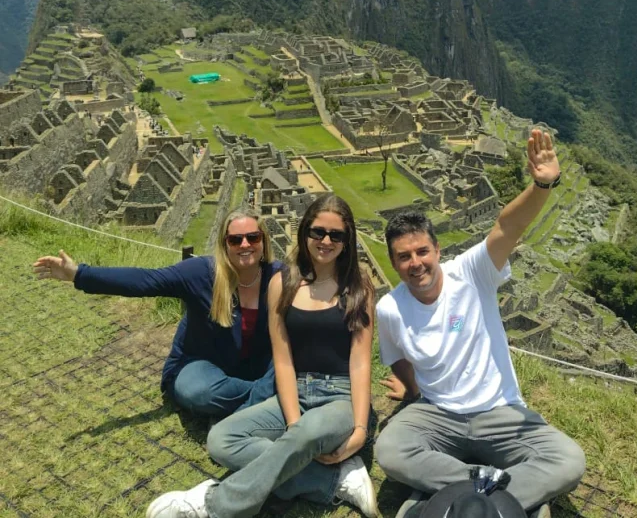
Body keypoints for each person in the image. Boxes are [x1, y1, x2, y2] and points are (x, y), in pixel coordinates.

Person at [374, 129, 586, 518]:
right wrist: (408, 387)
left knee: (569, 460)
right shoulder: (390, 308)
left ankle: (447, 500)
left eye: (423, 251)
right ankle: (500, 497)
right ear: (393, 262)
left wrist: (542, 184)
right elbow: (397, 357)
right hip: (438, 413)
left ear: (438, 250)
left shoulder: (472, 273)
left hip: (499, 411)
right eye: (404, 257)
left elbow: (507, 227)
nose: (416, 263)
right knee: (389, 451)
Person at [146, 193, 379, 518]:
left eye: (336, 235)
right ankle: (335, 480)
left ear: (346, 240)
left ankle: (213, 505)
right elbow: (282, 359)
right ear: (305, 232)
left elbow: (360, 361)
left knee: (307, 435)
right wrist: (293, 421)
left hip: (339, 396)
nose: (325, 241)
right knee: (222, 439)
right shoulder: (282, 283)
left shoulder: (358, 287)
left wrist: (359, 429)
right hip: (295, 393)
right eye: (317, 232)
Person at [32, 208, 282, 418]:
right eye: (235, 240)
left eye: (253, 237)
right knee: (198, 392)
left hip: (256, 367)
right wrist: (79, 274)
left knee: (294, 364)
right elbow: (145, 280)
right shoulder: (201, 273)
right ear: (224, 243)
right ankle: (266, 399)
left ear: (264, 241)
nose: (245, 245)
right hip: (202, 365)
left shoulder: (281, 277)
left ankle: (251, 404)